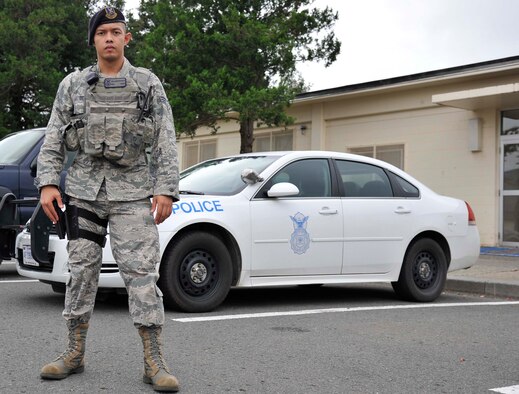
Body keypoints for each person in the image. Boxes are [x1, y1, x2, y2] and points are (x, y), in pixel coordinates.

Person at [35, 7, 180, 393]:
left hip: (133, 192)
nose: (110, 38)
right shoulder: (73, 85)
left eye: (117, 31)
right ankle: (73, 353)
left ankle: (154, 362)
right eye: (102, 33)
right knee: (81, 272)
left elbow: (165, 137)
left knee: (142, 276)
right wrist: (48, 183)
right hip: (84, 191)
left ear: (126, 38)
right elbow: (53, 136)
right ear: (94, 40)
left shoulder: (148, 84)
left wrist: (165, 188)